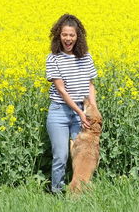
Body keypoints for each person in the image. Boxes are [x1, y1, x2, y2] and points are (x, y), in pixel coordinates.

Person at [45, 13, 98, 194]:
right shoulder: (53, 58)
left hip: (82, 111)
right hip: (60, 111)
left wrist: (92, 110)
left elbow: (91, 86)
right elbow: (61, 90)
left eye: (72, 35)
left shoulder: (85, 57)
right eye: (64, 35)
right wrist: (82, 113)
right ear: (59, 35)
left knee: (81, 155)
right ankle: (57, 192)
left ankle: (79, 191)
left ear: (78, 36)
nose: (68, 39)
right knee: (61, 155)